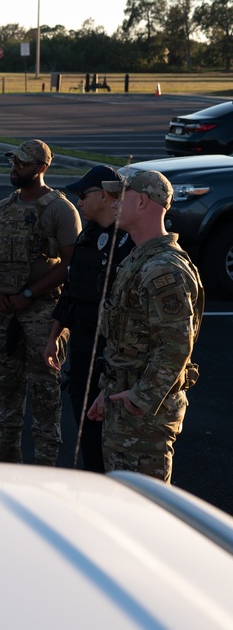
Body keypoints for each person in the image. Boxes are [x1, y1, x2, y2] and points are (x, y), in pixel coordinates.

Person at [88, 170, 203, 483]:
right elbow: (127, 338)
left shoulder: (163, 269)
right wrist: (108, 390)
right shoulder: (139, 260)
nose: (112, 203)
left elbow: (176, 347)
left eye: (120, 197)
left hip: (145, 419)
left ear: (141, 201)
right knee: (122, 505)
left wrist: (140, 397)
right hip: (125, 406)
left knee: (144, 514)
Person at [0, 139, 81, 465]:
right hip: (3, 310)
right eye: (14, 162)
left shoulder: (60, 210)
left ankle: (45, 463)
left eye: (22, 164)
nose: (15, 168)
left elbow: (71, 265)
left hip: (42, 314)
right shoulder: (2, 208)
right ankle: (7, 449)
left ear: (41, 168)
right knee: (6, 383)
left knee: (44, 390)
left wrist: (28, 294)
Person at [42, 165, 135, 472]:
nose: (78, 201)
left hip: (114, 351)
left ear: (108, 196)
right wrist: (53, 338)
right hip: (83, 346)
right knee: (85, 424)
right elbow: (70, 291)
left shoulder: (131, 242)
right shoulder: (88, 236)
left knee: (116, 430)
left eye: (84, 194)